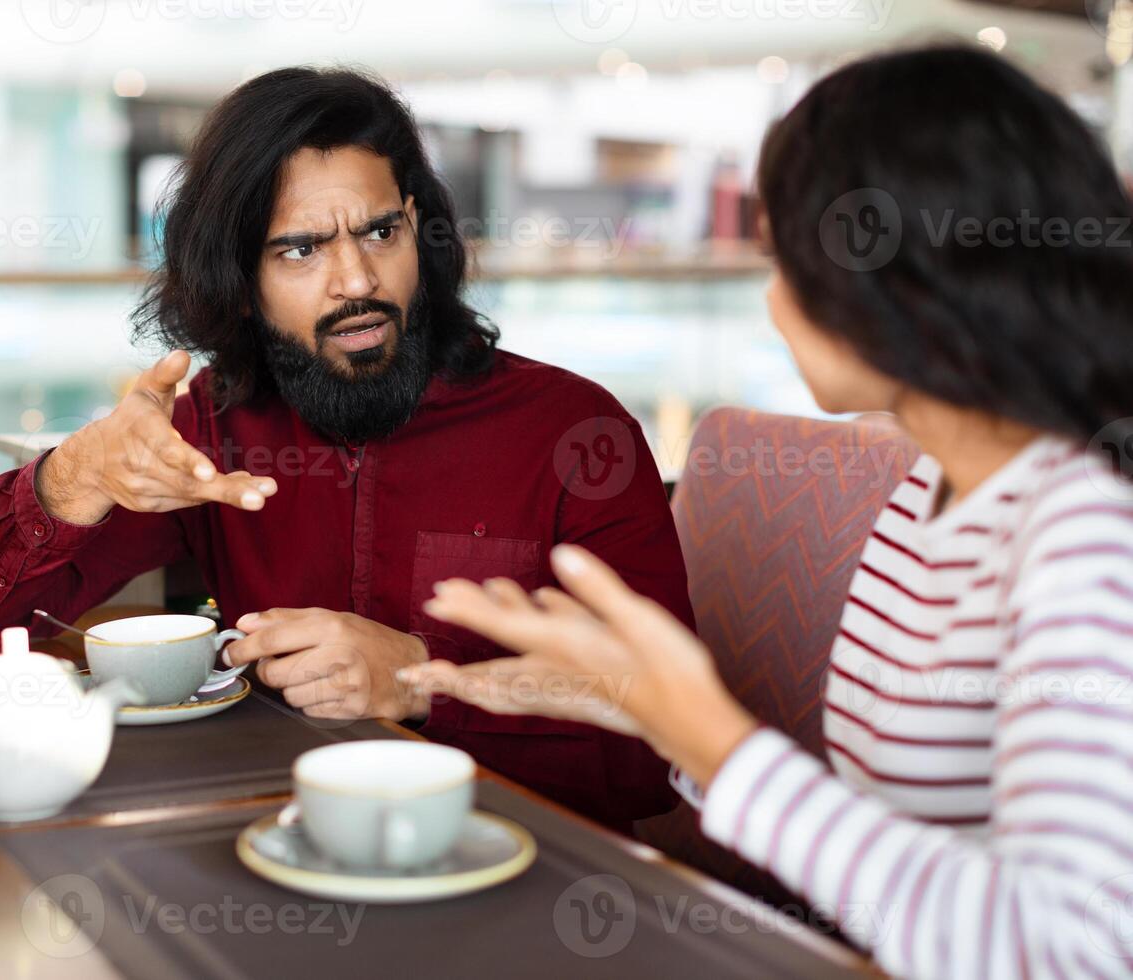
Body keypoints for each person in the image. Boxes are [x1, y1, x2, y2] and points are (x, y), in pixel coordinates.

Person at [400, 46, 1133, 977]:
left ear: (903, 275)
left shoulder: (1086, 538)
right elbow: (893, 836)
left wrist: (713, 735)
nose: (774, 301)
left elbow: (1078, 953)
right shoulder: (931, 492)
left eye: (784, 258)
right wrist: (646, 711)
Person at [0, 67, 693, 828]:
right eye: (300, 250)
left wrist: (426, 681)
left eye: (380, 232)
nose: (355, 281)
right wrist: (76, 474)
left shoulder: (573, 432)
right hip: (272, 855)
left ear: (419, 227)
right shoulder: (213, 435)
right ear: (241, 283)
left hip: (534, 886)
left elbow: (665, 734)